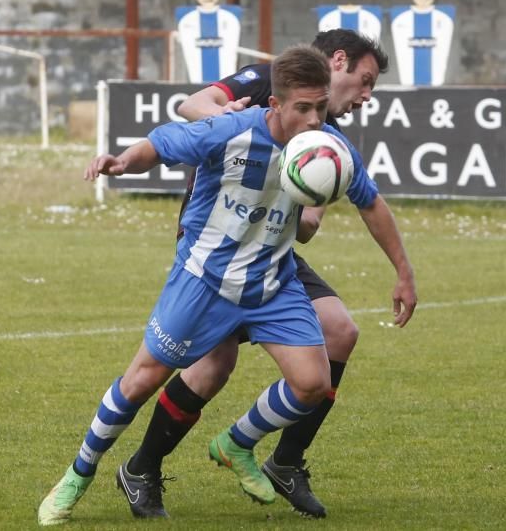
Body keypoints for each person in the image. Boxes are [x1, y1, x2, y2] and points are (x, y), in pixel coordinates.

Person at [37, 46, 391, 526]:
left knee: (312, 382)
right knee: (143, 379)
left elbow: (369, 205)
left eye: (319, 108)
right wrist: (121, 162)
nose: (313, 119)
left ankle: (236, 443)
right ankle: (79, 474)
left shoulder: (329, 149)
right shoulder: (232, 130)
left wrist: (404, 273)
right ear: (276, 105)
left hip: (269, 280)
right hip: (204, 278)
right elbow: (163, 141)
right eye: (302, 108)